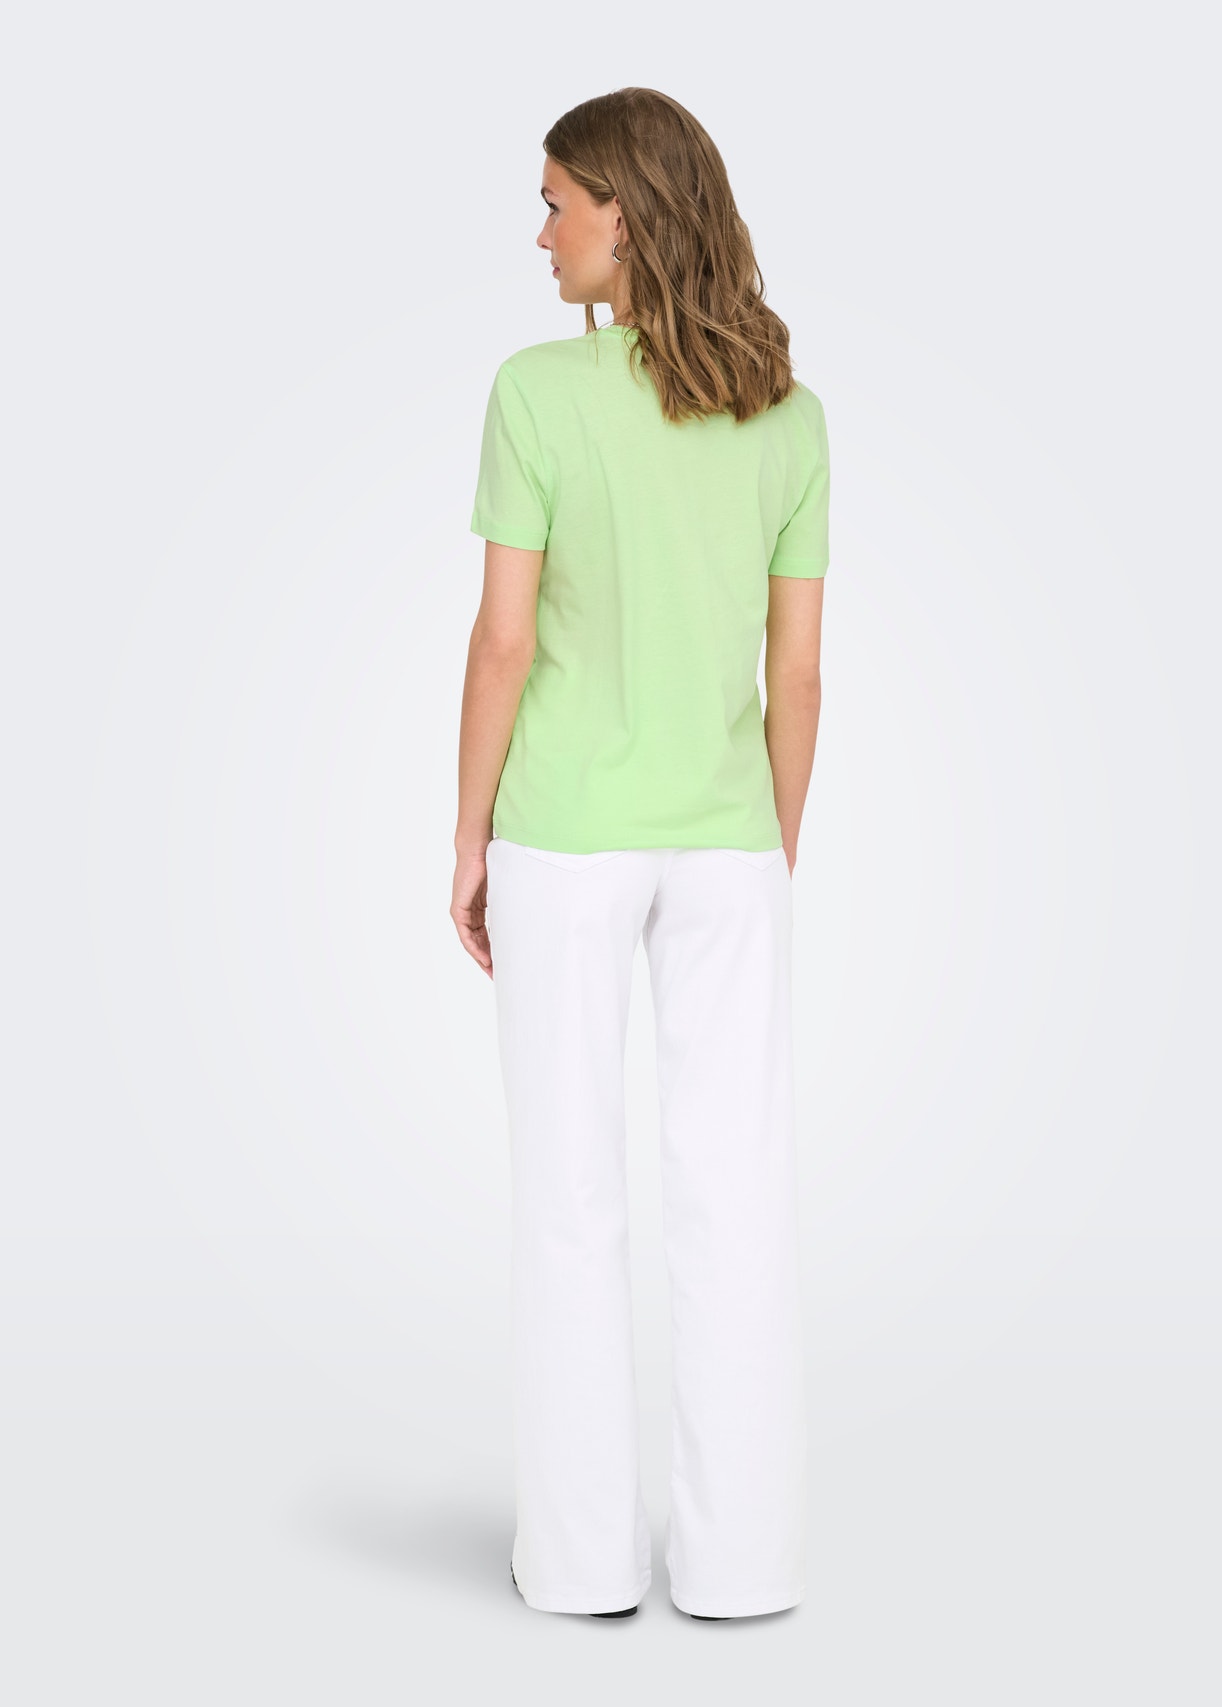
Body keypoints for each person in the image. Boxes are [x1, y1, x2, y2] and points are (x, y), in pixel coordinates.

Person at [451, 87, 829, 1623]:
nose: (540, 233)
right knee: (735, 1196)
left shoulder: (537, 394)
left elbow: (502, 641)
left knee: (569, 1198)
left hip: (561, 838)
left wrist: (465, 836)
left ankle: (580, 1563)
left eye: (556, 203)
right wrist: (766, 843)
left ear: (625, 211)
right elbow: (797, 674)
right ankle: (741, 1570)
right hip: (729, 845)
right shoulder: (787, 414)